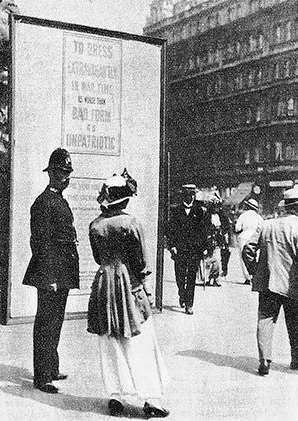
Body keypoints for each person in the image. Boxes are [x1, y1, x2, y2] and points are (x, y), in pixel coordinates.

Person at [87, 170, 169, 418]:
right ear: (124, 200)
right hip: (127, 281)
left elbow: (97, 257)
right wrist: (145, 284)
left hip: (103, 283)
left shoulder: (95, 225)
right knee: (139, 337)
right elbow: (140, 262)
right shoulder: (131, 223)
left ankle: (116, 395)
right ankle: (150, 398)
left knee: (109, 337)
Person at [242, 188, 298, 376]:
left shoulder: (266, 226)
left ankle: (264, 361)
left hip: (267, 283)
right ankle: (297, 359)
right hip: (293, 286)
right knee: (295, 322)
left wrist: (255, 272)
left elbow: (247, 251)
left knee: (265, 321)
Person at [23, 148, 79, 394]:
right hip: (51, 274)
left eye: (68, 173)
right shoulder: (44, 202)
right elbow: (40, 243)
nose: (66, 177)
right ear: (52, 173)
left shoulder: (58, 200)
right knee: (45, 323)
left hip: (62, 271)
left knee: (56, 321)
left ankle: (52, 367)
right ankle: (41, 376)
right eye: (62, 173)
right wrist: (50, 277)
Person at [166, 184, 208, 315]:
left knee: (191, 277)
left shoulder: (199, 211)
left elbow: (204, 231)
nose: (191, 197)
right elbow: (170, 230)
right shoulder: (176, 211)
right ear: (184, 195)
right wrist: (172, 246)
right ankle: (181, 294)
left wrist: (204, 248)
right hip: (180, 249)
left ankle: (189, 304)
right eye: (189, 194)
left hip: (195, 250)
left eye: (193, 194)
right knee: (180, 275)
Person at [235, 199, 264, 285]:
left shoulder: (243, 216)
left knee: (243, 256)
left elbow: (237, 228)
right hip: (255, 236)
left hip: (244, 236)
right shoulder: (259, 217)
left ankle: (247, 277)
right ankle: (254, 276)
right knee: (255, 256)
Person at [203, 197, 230, 287]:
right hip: (208, 239)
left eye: (217, 206)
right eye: (213, 206)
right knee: (208, 259)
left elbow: (226, 228)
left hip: (218, 239)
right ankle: (207, 278)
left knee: (218, 259)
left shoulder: (222, 216)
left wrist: (224, 238)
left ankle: (215, 278)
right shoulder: (206, 216)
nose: (215, 208)